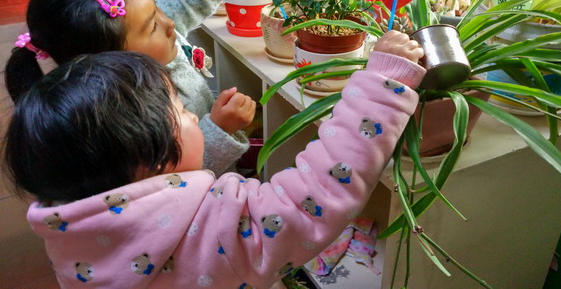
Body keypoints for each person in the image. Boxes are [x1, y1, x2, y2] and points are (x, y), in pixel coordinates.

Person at [4, 31, 425, 288]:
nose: (194, 116)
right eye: (181, 111)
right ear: (149, 161)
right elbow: (317, 192)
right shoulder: (220, 228)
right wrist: (381, 84)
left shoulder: (67, 224)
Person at [3, 0, 285, 176]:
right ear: (109, 63)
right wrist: (219, 130)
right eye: (151, 25)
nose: (169, 22)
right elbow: (169, 183)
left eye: (156, 8)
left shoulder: (142, 35)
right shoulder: (117, 120)